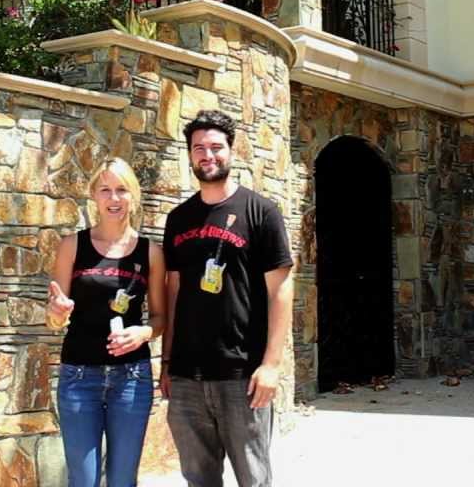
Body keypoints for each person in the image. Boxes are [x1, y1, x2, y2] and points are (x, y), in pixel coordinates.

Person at [161, 110, 295, 487]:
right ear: (189, 155)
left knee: (253, 477)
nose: (208, 155)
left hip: (242, 374)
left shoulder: (261, 211)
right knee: (198, 479)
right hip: (187, 376)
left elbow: (281, 290)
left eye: (216, 147)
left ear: (231, 151)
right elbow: (174, 290)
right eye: (199, 148)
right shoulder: (179, 218)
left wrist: (271, 365)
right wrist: (167, 362)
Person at [47, 157, 166, 487]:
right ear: (94, 196)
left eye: (122, 190)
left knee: (122, 480)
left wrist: (142, 332)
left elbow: (160, 318)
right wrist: (57, 313)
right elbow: (55, 316)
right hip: (78, 376)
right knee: (83, 480)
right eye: (105, 190)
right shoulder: (72, 246)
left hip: (131, 379)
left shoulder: (150, 252)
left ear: (133, 196)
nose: (114, 199)